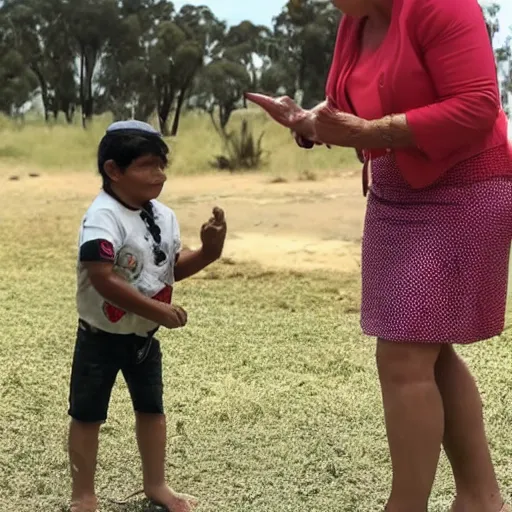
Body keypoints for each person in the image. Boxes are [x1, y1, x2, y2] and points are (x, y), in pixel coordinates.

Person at [245, 0, 512, 510]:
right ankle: (480, 498)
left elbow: (478, 105)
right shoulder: (355, 21)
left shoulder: (443, 7)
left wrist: (373, 133)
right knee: (428, 351)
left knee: (405, 353)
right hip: (395, 190)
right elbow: (344, 113)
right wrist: (308, 123)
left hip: (465, 185)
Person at [67, 120, 227, 512]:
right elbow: (101, 278)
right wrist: (157, 309)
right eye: (147, 166)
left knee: (152, 411)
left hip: (143, 339)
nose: (159, 175)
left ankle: (156, 485)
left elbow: (169, 267)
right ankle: (83, 495)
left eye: (161, 165)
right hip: (99, 337)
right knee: (87, 416)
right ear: (113, 170)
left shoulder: (164, 217)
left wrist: (208, 252)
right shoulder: (102, 216)